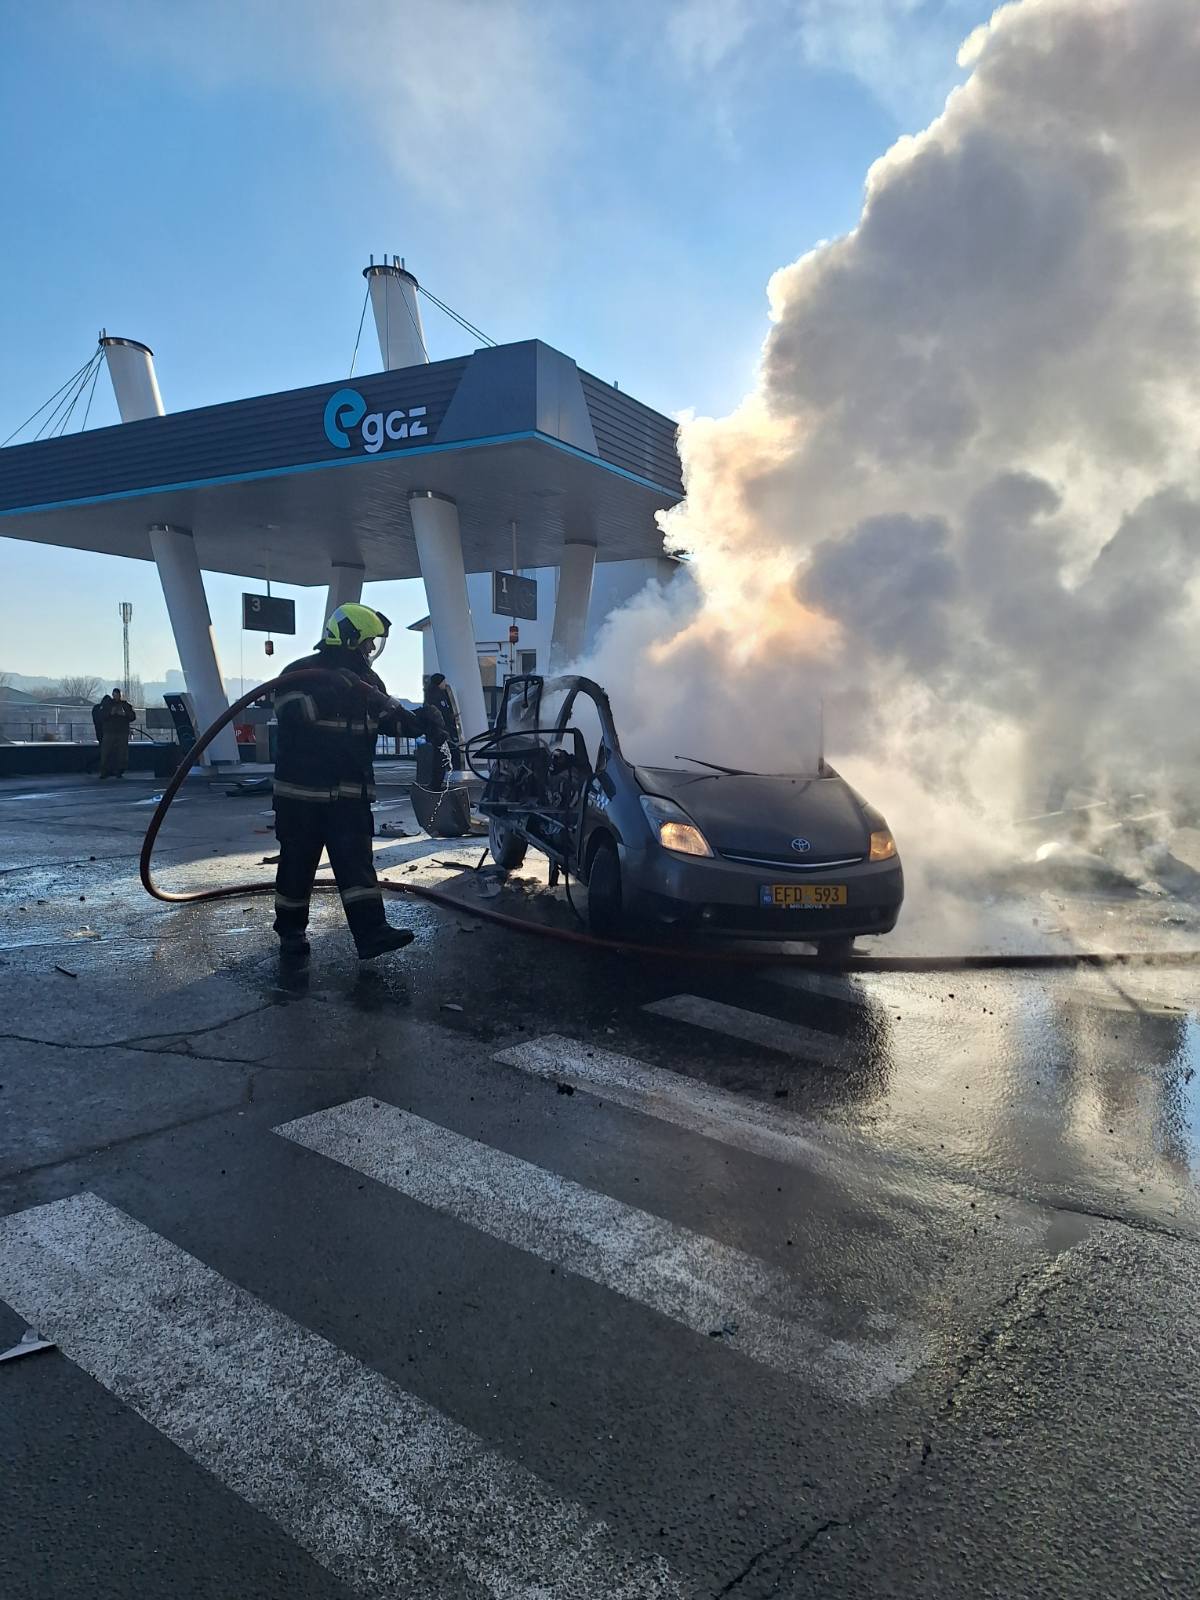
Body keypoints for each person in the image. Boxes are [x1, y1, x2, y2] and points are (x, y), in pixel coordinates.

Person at [272, 603, 444, 963]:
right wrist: (332, 691)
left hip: (349, 797)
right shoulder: (300, 673)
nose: (370, 652)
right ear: (349, 639)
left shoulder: (369, 684)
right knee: (297, 866)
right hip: (302, 797)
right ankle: (291, 934)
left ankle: (371, 934)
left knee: (357, 866)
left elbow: (390, 722)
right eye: (366, 644)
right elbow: (293, 713)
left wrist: (422, 721)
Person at [423, 672, 464, 769]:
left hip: (441, 728)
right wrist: (450, 717)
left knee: (442, 753)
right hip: (440, 729)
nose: (445, 683)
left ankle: (442, 773)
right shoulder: (436, 696)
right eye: (443, 681)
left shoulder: (439, 694)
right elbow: (440, 711)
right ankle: (450, 770)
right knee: (445, 751)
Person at [97, 688, 136, 779]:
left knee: (122, 753)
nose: (116, 697)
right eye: (114, 695)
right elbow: (101, 716)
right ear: (112, 695)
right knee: (106, 752)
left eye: (118, 695)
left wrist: (124, 714)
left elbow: (133, 716)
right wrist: (110, 713)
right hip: (109, 732)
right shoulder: (107, 705)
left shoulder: (126, 705)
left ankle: (119, 771)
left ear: (120, 696)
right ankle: (104, 771)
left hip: (122, 732)